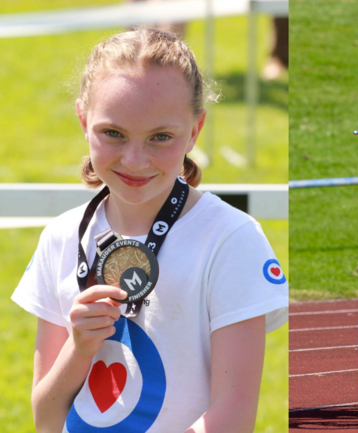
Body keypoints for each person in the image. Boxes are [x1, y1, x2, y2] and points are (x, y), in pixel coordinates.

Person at [11, 28, 287, 432]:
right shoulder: (61, 236)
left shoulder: (231, 239)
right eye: (113, 133)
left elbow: (235, 414)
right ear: (84, 120)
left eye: (161, 137)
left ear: (195, 131)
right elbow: (46, 418)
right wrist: (79, 346)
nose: (136, 160)